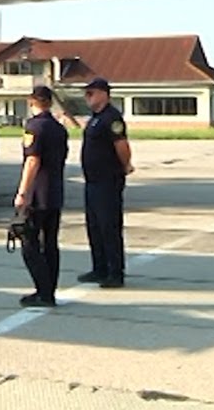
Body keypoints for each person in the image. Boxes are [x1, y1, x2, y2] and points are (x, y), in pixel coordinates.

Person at [14, 85, 68, 307]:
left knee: (29, 243)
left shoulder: (34, 127)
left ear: (31, 101)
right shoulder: (58, 128)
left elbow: (32, 160)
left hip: (37, 193)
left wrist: (23, 192)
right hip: (54, 191)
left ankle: (43, 290)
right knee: (51, 244)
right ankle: (50, 290)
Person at [78, 77, 133, 288]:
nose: (87, 97)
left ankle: (115, 272)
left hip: (107, 181)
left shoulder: (112, 118)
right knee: (94, 226)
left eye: (91, 93)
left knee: (109, 227)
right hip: (92, 181)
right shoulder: (95, 118)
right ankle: (99, 268)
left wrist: (126, 166)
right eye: (86, 93)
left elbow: (122, 145)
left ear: (103, 94)